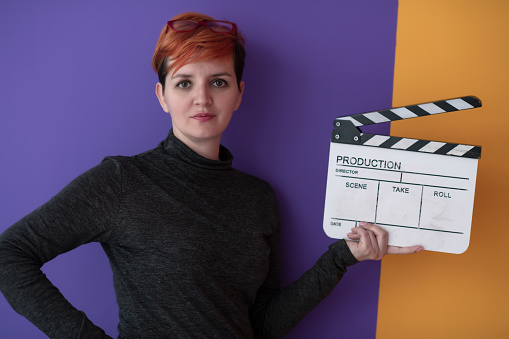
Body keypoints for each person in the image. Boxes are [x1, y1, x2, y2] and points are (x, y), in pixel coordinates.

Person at [0, 12, 422, 339]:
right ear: (162, 96)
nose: (202, 98)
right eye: (184, 83)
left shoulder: (259, 197)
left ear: (239, 92)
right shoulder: (122, 181)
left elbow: (262, 326)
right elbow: (9, 255)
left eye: (218, 81)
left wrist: (342, 258)